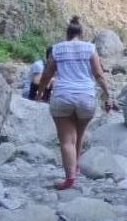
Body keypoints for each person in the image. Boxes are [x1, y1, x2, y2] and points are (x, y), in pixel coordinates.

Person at [37, 17, 113, 189]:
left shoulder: (57, 49)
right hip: (86, 97)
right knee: (78, 136)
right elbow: (99, 75)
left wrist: (40, 93)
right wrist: (108, 95)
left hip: (63, 95)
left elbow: (47, 75)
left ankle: (69, 178)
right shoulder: (90, 48)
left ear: (67, 34)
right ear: (81, 33)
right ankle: (75, 168)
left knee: (66, 140)